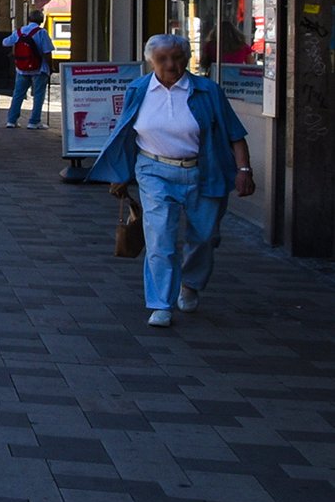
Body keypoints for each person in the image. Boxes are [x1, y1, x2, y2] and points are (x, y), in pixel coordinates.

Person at [86, 32, 254, 327]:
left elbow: (235, 135)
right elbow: (126, 135)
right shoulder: (138, 90)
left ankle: (190, 283)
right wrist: (121, 175)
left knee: (204, 238)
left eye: (177, 58)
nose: (171, 65)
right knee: (160, 237)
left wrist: (243, 171)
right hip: (154, 170)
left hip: (205, 172)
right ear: (150, 62)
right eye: (162, 59)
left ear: (187, 59)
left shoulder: (207, 91)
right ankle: (161, 303)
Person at [3, 11, 54, 129]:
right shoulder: (42, 33)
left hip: (22, 69)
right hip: (39, 68)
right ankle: (34, 121)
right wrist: (51, 67)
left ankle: (11, 120)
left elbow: (5, 42)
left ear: (29, 19)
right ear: (42, 21)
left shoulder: (19, 32)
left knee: (18, 94)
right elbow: (47, 52)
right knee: (38, 95)